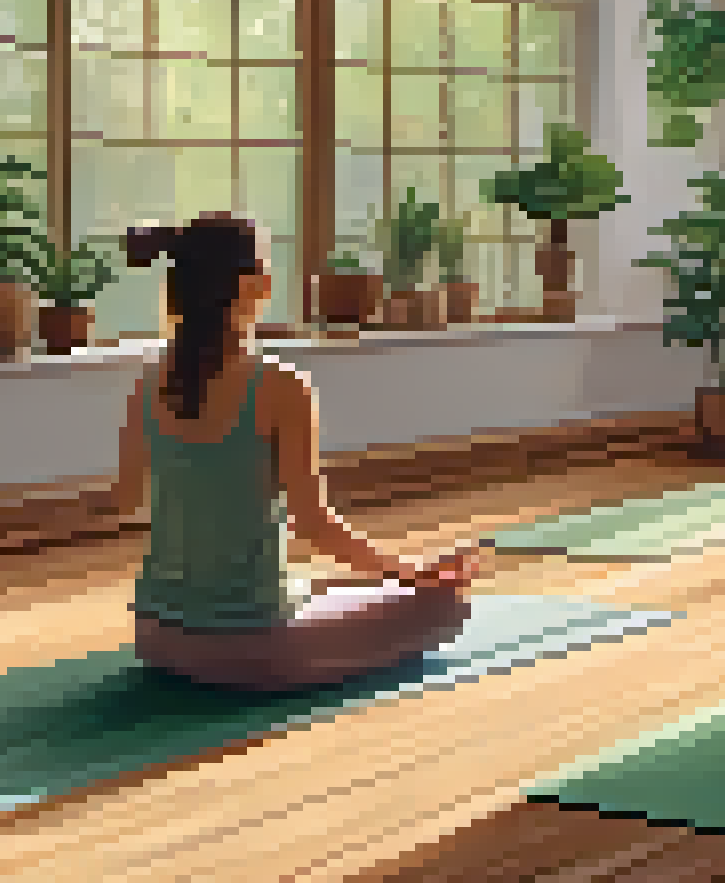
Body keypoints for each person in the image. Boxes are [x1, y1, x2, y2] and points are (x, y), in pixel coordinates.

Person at [109, 213, 483, 693]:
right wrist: (412, 572)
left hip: (155, 638)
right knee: (447, 605)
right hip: (249, 653)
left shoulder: (146, 383)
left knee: (319, 584)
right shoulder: (281, 386)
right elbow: (314, 526)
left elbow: (122, 501)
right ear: (254, 286)